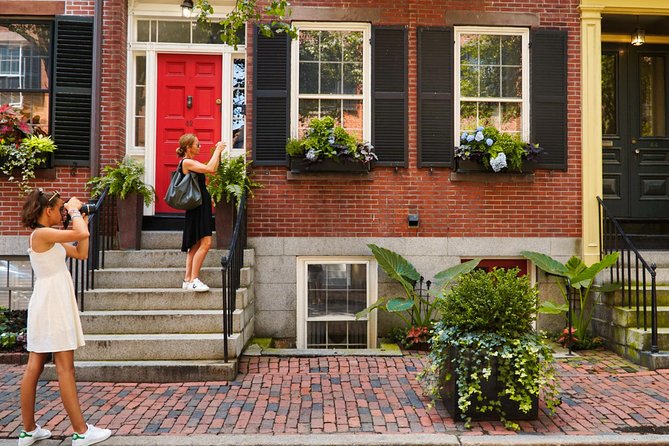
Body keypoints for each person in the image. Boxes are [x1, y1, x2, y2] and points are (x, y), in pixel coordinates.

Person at [18, 189, 112, 446]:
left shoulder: (49, 237)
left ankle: (28, 431)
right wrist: (74, 211)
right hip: (53, 305)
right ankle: (81, 432)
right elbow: (80, 234)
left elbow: (81, 251)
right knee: (64, 368)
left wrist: (83, 217)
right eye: (59, 210)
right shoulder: (43, 233)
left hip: (48, 302)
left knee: (35, 366)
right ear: (47, 211)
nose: (62, 214)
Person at [177, 133, 227, 292]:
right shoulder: (187, 162)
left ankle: (187, 279)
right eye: (197, 145)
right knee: (206, 243)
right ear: (188, 147)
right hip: (198, 207)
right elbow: (210, 169)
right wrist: (218, 150)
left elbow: (213, 168)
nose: (200, 147)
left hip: (199, 205)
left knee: (195, 245)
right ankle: (194, 279)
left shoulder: (191, 162)